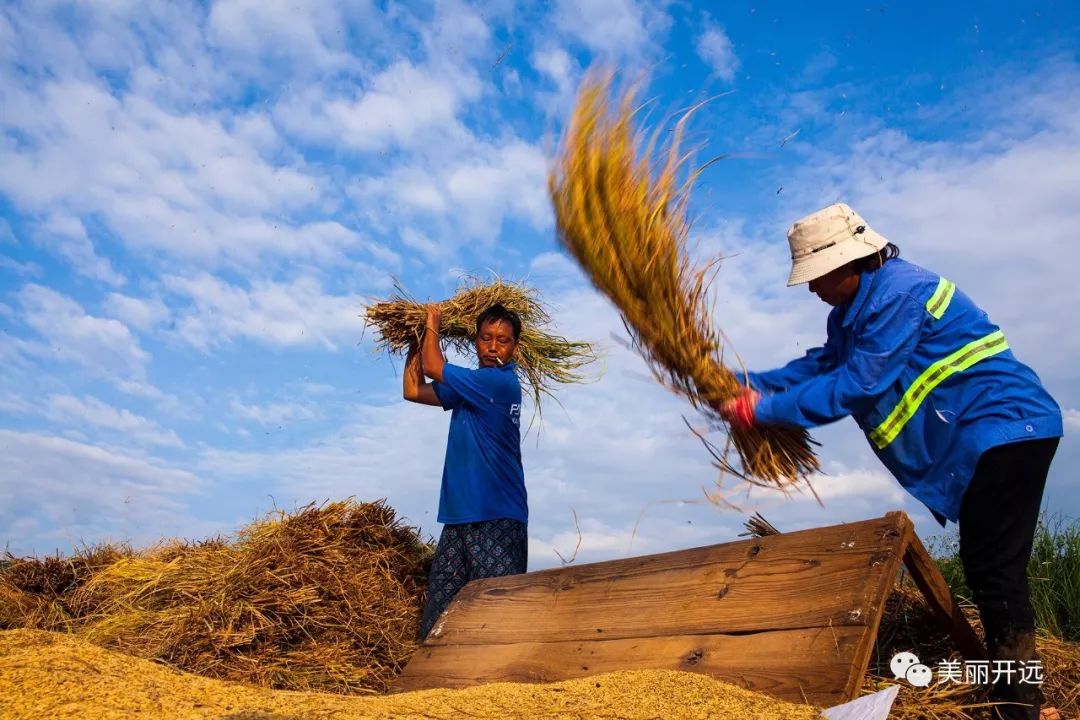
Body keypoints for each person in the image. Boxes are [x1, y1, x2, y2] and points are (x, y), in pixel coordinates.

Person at [716, 203, 1062, 720]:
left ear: (847, 262)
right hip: (981, 438)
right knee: (989, 568)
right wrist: (749, 383)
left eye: (817, 277)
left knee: (996, 572)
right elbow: (822, 364)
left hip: (1008, 428)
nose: (812, 289)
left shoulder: (901, 292)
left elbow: (858, 385)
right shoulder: (853, 312)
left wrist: (761, 412)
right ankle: (1016, 696)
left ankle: (1019, 706)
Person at [403, 302, 529, 641]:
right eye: (486, 338)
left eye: (502, 340)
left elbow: (434, 365)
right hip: (459, 519)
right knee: (439, 622)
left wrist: (432, 322)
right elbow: (413, 390)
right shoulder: (470, 388)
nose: (492, 347)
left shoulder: (498, 384)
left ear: (514, 347)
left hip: (496, 517)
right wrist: (416, 338)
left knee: (496, 618)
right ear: (475, 341)